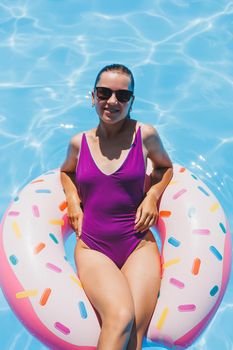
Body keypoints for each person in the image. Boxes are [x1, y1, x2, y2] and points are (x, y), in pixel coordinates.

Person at [60, 64, 173, 350]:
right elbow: (66, 172)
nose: (112, 101)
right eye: (104, 93)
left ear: (132, 101)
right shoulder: (79, 143)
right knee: (121, 316)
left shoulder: (145, 135)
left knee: (133, 335)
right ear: (93, 97)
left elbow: (165, 168)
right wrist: (73, 200)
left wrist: (153, 196)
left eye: (123, 96)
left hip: (138, 245)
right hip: (93, 246)